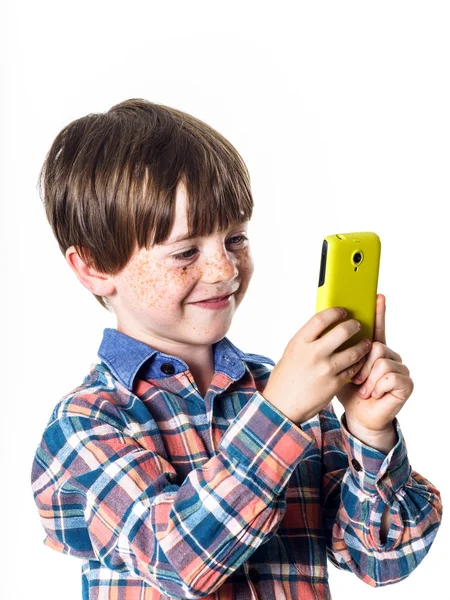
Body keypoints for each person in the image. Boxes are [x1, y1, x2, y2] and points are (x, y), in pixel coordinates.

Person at [30, 98, 443, 600]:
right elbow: (179, 562)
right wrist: (279, 415)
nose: (224, 270)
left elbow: (384, 559)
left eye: (236, 239)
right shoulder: (84, 425)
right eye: (186, 252)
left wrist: (369, 432)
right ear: (94, 267)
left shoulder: (283, 392)